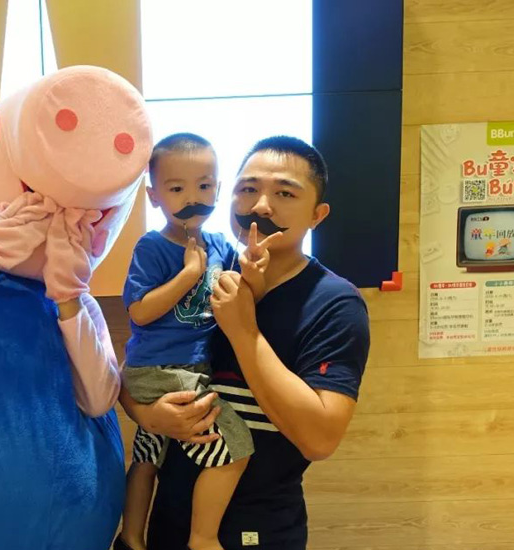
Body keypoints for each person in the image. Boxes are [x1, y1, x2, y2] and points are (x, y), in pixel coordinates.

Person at [120, 136, 371, 549]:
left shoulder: (334, 303)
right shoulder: (211, 274)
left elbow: (320, 439)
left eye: (285, 193)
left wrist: (243, 331)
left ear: (317, 214)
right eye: (249, 189)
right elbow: (137, 369)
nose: (261, 206)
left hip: (258, 530)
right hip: (169, 522)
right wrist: (148, 416)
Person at [115, 133, 277, 550]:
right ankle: (202, 539)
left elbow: (242, 296)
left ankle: (130, 539)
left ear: (218, 190)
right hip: (162, 371)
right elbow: (139, 312)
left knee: (148, 458)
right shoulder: (152, 247)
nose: (193, 198)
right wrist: (189, 275)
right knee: (237, 447)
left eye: (204, 186)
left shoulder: (220, 245)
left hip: (185, 369)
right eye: (176, 189)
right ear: (154, 196)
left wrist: (254, 272)